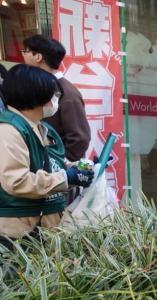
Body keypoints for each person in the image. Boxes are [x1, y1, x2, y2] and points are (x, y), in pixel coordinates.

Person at [0, 65, 94, 248]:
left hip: (45, 228)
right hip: (18, 234)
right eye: (53, 94)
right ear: (36, 96)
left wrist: (77, 170)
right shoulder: (8, 130)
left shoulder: (42, 127)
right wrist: (66, 177)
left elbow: (53, 165)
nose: (56, 99)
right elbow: (17, 181)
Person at [22, 35, 90, 163]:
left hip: (58, 169)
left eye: (25, 51)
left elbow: (80, 139)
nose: (23, 55)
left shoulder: (67, 93)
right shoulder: (41, 87)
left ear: (38, 57)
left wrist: (60, 164)